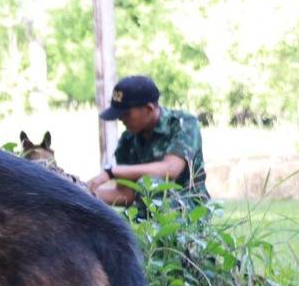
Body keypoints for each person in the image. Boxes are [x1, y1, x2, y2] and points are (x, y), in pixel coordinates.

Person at [85, 74, 207, 208]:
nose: (121, 120)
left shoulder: (183, 124)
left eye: (126, 114)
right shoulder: (128, 139)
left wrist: (112, 172)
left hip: (188, 212)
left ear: (149, 109)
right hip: (146, 217)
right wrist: (84, 192)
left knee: (150, 184)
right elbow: (126, 194)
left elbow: (171, 169)